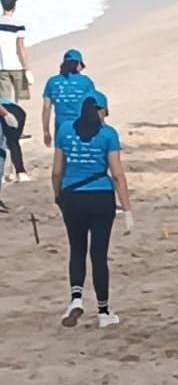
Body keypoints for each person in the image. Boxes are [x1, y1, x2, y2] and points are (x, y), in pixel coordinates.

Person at [52, 91, 131, 328]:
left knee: (77, 249)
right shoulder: (108, 134)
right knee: (99, 254)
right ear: (101, 110)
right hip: (101, 197)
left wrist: (58, 196)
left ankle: (76, 298)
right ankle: (104, 311)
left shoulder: (65, 130)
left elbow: (56, 171)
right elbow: (117, 174)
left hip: (72, 196)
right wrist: (127, 209)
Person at [42, 49, 95, 148]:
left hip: (61, 127)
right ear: (78, 65)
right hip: (82, 127)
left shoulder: (52, 82)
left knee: (61, 155)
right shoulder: (86, 82)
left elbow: (46, 108)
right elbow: (93, 107)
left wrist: (46, 132)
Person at [0, 0, 31, 107]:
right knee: (22, 101)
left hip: (2, 68)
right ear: (14, 6)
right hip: (18, 67)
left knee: (5, 102)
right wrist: (27, 69)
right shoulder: (19, 25)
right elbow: (20, 49)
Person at [0, 96, 27, 183]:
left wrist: (6, 114)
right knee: (13, 143)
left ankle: (16, 172)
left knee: (9, 143)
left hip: (9, 110)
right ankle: (20, 172)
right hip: (16, 110)